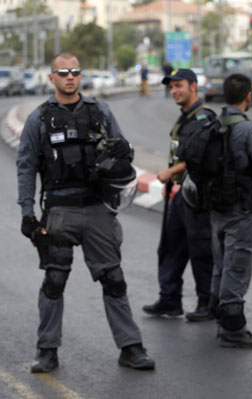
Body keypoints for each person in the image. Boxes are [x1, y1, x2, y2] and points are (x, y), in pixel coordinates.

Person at [17, 52, 155, 373]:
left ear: (81, 76)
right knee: (54, 280)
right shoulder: (39, 119)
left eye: (75, 71)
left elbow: (124, 153)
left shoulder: (101, 112)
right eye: (63, 72)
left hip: (97, 210)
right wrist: (27, 213)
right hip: (59, 210)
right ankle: (47, 350)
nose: (70, 77)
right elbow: (25, 168)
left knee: (114, 279)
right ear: (52, 77)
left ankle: (130, 347)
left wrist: (124, 150)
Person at [207, 74, 252, 348]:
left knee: (221, 264)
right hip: (242, 209)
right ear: (248, 96)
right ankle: (232, 329)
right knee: (237, 267)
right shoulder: (247, 129)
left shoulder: (214, 123)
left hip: (216, 207)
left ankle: (218, 314)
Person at [142, 68, 216, 322]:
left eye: (179, 86)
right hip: (180, 194)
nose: (174, 91)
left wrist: (169, 172)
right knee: (170, 248)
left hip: (197, 198)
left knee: (201, 252)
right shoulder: (185, 117)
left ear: (193, 86)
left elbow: (199, 157)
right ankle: (169, 299)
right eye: (171, 87)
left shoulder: (203, 118)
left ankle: (207, 303)